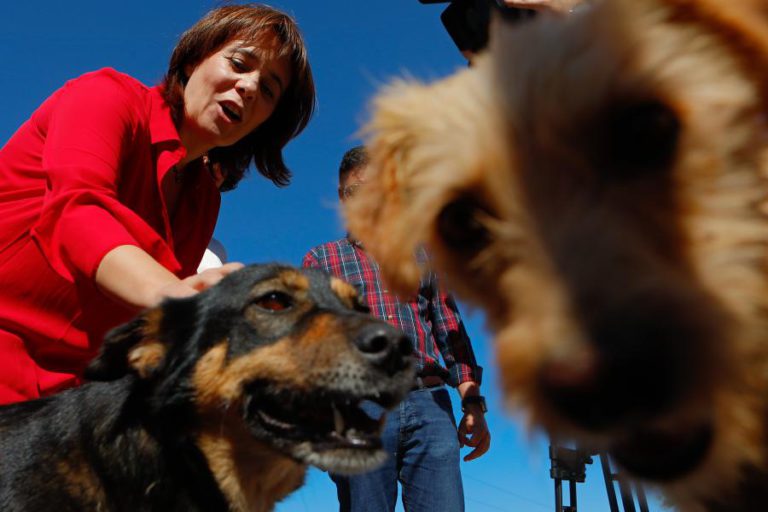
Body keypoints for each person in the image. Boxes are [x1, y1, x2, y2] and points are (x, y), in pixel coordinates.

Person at [0, 4, 315, 405]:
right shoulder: (105, 95)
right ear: (192, 58)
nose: (249, 86)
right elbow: (78, 210)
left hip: (69, 406)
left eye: (269, 89)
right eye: (239, 62)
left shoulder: (204, 199)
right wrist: (179, 296)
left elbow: (152, 324)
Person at [302, 146, 491, 512]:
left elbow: (451, 332)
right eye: (355, 191)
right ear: (343, 198)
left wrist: (474, 404)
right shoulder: (321, 260)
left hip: (430, 407)